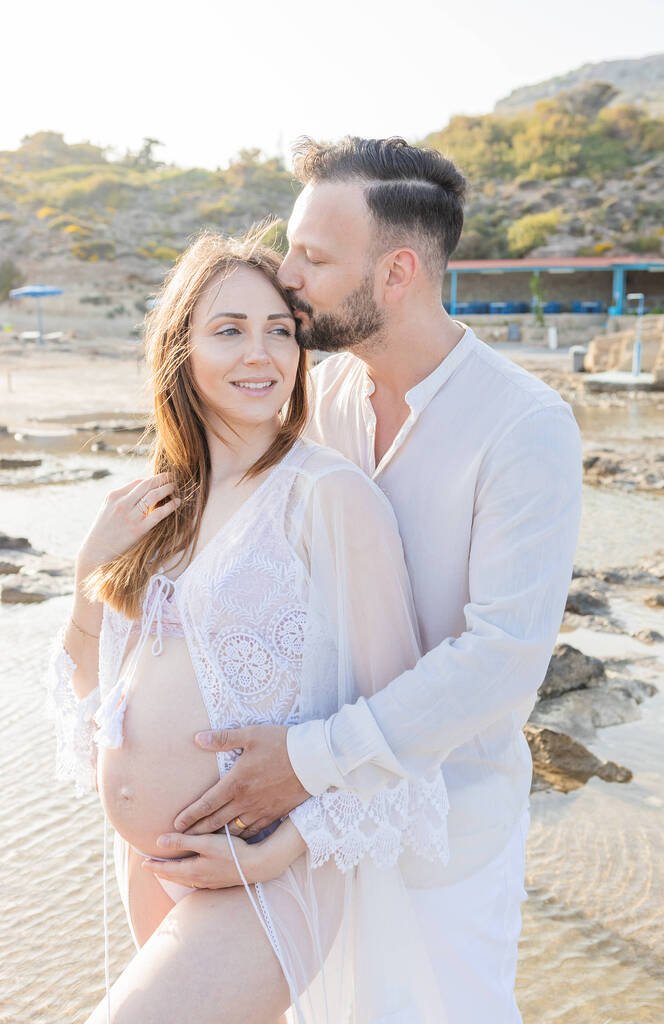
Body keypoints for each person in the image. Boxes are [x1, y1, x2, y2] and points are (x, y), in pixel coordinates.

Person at [175, 137, 584, 1022]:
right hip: (303, 829)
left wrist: (304, 766)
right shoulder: (311, 399)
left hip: (444, 835)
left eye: (315, 258)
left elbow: (500, 662)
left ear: (396, 272)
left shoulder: (525, 427)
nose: (287, 276)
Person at [46, 228, 450, 1023]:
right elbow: (92, 693)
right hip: (155, 861)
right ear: (180, 350)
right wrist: (89, 574)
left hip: (262, 867)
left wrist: (284, 847)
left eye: (280, 331)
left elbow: (400, 718)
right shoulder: (158, 504)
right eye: (229, 330)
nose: (260, 354)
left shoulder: (327, 496)